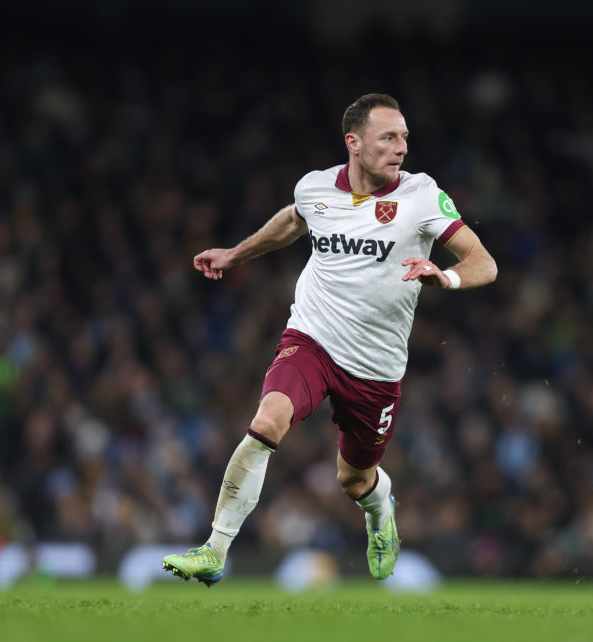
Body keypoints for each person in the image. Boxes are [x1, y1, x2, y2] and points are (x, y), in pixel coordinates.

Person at [163, 93, 497, 586]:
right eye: (389, 137)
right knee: (267, 420)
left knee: (353, 479)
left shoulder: (422, 196)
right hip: (312, 337)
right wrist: (237, 254)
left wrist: (443, 277)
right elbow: (293, 221)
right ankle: (216, 548)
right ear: (354, 143)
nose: (401, 147)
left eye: (404, 137)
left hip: (376, 366)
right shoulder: (317, 188)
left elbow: (483, 263)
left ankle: (381, 509)